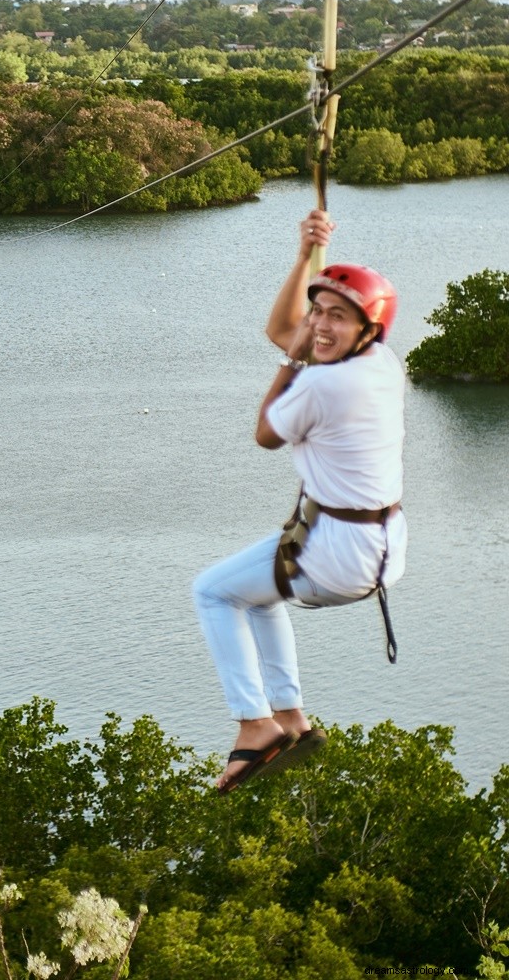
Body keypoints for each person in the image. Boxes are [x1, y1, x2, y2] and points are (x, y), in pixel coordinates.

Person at [192, 209, 407, 793]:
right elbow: (287, 326)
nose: (321, 324)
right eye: (319, 311)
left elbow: (265, 431)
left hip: (335, 554)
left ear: (365, 328)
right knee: (255, 598)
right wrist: (306, 255)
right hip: (375, 549)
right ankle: (290, 715)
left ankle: (255, 723)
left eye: (337, 316)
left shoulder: (324, 381)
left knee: (212, 591)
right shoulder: (381, 363)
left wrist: (291, 360)